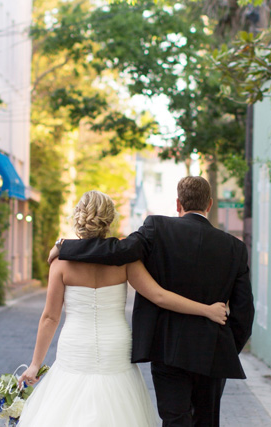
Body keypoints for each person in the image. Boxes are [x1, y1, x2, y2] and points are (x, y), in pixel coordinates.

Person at [51, 175, 254, 427]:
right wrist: (227, 348)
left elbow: (117, 251)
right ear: (209, 204)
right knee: (206, 421)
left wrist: (64, 247)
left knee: (174, 419)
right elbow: (244, 311)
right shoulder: (234, 248)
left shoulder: (157, 228)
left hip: (167, 348)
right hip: (212, 349)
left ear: (178, 203)